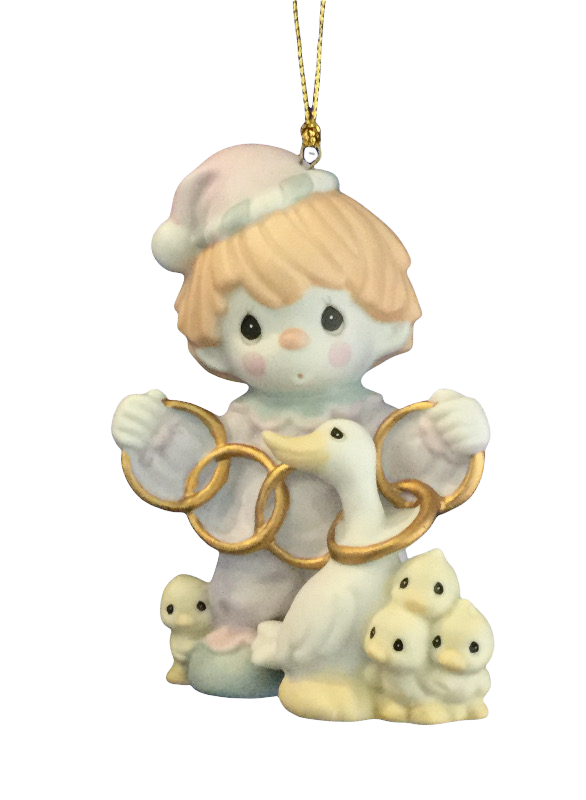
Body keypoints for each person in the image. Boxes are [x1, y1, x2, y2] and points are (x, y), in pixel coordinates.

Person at [111, 144, 490, 697]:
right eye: (252, 327)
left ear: (383, 317)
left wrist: (454, 435)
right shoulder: (238, 428)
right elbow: (201, 469)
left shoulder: (371, 421)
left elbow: (407, 467)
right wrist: (152, 435)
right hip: (256, 566)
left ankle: (350, 653)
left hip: (356, 580)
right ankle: (246, 631)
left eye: (330, 318)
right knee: (243, 608)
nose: (291, 340)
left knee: (363, 590)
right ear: (216, 340)